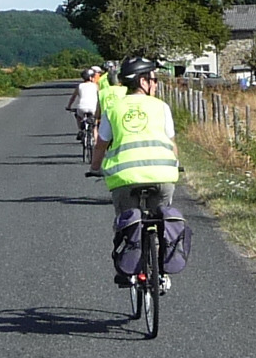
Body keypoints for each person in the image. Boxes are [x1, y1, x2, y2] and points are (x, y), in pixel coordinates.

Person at [91, 54, 180, 236]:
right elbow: (171, 144)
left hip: (124, 177)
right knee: (161, 218)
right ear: (143, 81)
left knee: (127, 224)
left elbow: (101, 145)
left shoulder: (113, 109)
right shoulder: (161, 106)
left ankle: (131, 244)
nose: (155, 84)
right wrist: (175, 164)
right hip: (162, 174)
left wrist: (94, 167)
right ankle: (161, 245)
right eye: (154, 80)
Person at [69, 66, 101, 153]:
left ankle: (80, 130)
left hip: (82, 107)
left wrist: (69, 106)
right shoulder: (95, 86)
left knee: (78, 116)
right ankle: (96, 143)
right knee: (94, 126)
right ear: (91, 77)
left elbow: (73, 98)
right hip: (93, 107)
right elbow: (100, 96)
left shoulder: (80, 86)